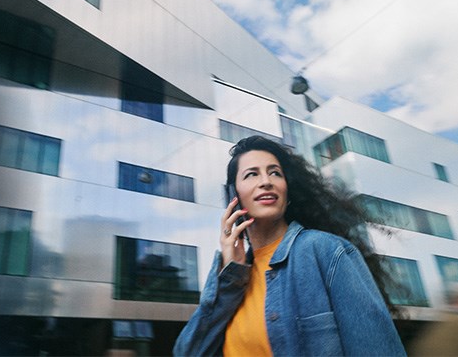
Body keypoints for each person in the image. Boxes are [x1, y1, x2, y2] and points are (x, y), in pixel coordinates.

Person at [174, 136, 406, 356]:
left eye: (275, 173)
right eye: (251, 174)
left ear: (287, 189)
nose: (266, 182)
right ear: (234, 195)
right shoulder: (232, 280)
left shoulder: (327, 251)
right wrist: (231, 276)